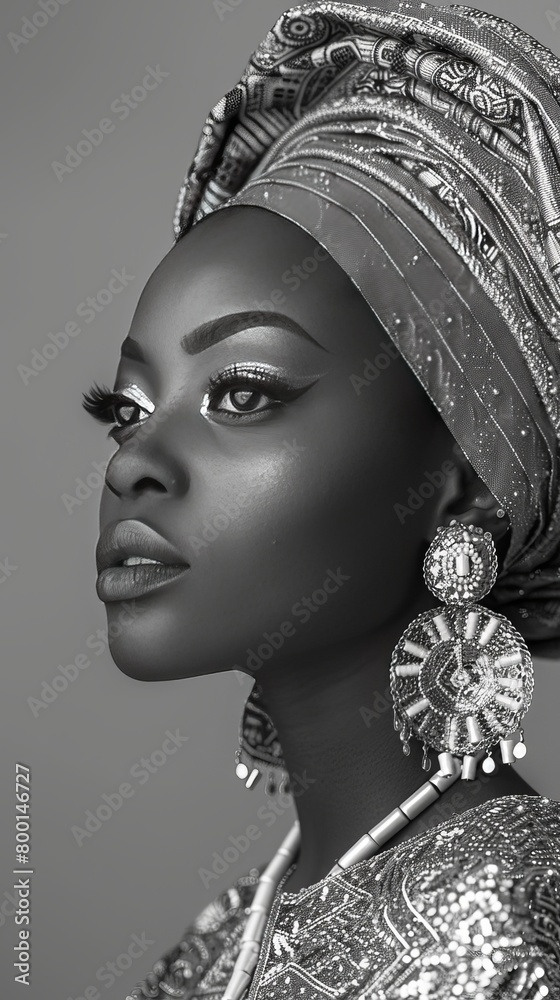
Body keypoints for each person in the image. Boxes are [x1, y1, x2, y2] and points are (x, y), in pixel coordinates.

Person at [83, 2, 560, 997]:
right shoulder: (223, 937)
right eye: (124, 411)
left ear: (466, 475)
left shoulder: (506, 927)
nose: (134, 464)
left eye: (244, 392)